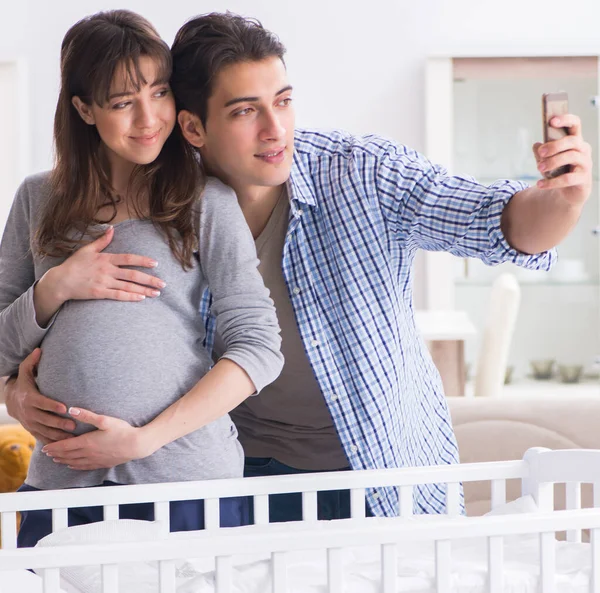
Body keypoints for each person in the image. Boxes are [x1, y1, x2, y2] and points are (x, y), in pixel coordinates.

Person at [6, 12, 592, 522]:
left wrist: (561, 198)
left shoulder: (362, 173)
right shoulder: (158, 202)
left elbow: (499, 222)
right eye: (245, 111)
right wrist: (18, 392)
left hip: (376, 469)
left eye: (283, 101)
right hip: (245, 476)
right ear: (193, 127)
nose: (275, 129)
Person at [0, 10, 282, 547]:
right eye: (122, 102)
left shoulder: (206, 202)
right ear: (84, 109)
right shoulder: (36, 200)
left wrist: (142, 441)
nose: (148, 119)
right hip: (62, 488)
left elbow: (260, 348)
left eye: (158, 92)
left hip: (185, 486)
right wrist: (54, 288)